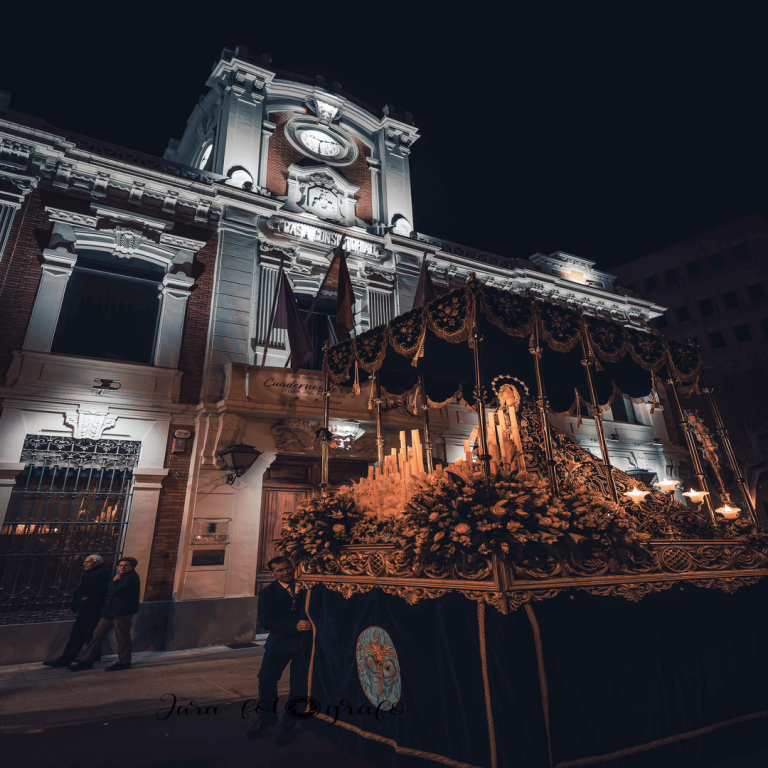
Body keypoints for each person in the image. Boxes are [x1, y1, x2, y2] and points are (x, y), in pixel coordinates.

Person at [247, 556, 312, 745]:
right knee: (266, 679)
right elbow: (266, 621)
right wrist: (294, 627)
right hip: (280, 642)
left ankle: (289, 725)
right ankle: (267, 718)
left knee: (297, 686)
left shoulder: (306, 588)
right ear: (273, 573)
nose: (286, 572)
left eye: (288, 568)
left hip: (304, 645)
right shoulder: (267, 593)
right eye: (281, 570)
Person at [68, 557, 140, 672]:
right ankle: (86, 661)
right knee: (97, 634)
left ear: (132, 567)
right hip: (110, 612)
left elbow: (116, 591)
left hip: (122, 612)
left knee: (122, 637)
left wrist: (114, 582)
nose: (122, 567)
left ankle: (124, 662)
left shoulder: (131, 578)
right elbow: (110, 593)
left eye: (125, 565)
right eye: (120, 565)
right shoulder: (120, 577)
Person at [43, 554, 109, 668]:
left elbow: (100, 592)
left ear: (97, 562)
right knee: (88, 633)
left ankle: (66, 659)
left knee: (77, 634)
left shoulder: (100, 573)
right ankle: (94, 655)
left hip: (90, 609)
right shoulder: (96, 572)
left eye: (88, 562)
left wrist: (85, 601)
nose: (85, 563)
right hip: (89, 609)